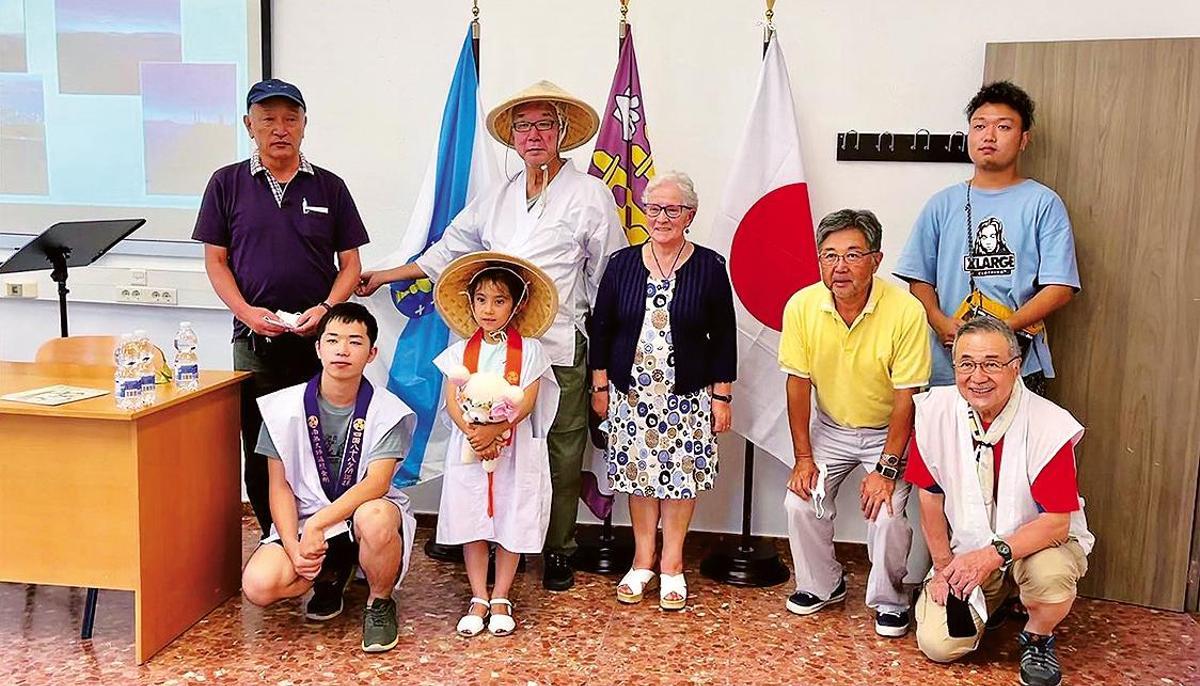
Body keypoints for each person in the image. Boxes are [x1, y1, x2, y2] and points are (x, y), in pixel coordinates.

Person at [356, 81, 625, 591]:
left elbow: (606, 277)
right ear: (512, 138)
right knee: (488, 443)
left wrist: (599, 348)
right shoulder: (494, 197)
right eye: (523, 126)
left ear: (563, 132)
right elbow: (448, 250)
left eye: (545, 124)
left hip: (557, 343)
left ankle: (558, 546)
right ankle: (494, 540)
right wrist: (388, 275)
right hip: (491, 350)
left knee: (559, 450)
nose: (534, 135)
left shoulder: (590, 196)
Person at [193, 79, 369, 535]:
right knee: (260, 443)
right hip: (255, 341)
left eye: (290, 118)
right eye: (268, 119)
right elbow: (216, 262)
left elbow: (351, 266)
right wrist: (247, 312)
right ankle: (277, 538)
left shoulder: (329, 187)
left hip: (321, 342)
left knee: (326, 442)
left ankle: (330, 544)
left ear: (305, 126)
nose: (280, 128)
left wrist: (328, 307)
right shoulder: (226, 183)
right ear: (249, 124)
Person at [905, 316, 1093, 686]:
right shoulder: (934, 413)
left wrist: (992, 556)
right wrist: (944, 567)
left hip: (1036, 545)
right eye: (967, 364)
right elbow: (929, 497)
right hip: (970, 547)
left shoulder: (1049, 424)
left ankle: (1038, 636)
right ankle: (999, 599)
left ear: (1015, 367)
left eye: (992, 363)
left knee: (1049, 575)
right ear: (954, 366)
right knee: (939, 645)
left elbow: (1056, 523)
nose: (978, 376)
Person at [778, 209, 931, 637]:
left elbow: (908, 398)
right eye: (829, 256)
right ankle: (822, 585)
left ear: (876, 260)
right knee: (800, 500)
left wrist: (886, 469)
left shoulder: (905, 311)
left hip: (888, 430)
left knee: (884, 512)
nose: (839, 267)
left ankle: (890, 599)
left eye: (852, 255)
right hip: (831, 428)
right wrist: (803, 457)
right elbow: (797, 385)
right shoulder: (803, 306)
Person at [588, 172, 736, 611]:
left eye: (673, 209)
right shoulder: (621, 264)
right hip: (630, 394)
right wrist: (599, 386)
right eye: (654, 208)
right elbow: (602, 328)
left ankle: (672, 564)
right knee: (639, 479)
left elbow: (724, 335)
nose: (662, 217)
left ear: (690, 215)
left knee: (679, 482)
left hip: (689, 395)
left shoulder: (709, 266)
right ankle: (641, 561)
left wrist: (722, 396)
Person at [240, 303, 417, 654]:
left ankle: (379, 603)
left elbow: (376, 484)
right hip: (306, 519)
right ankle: (325, 576)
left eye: (355, 341)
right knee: (258, 586)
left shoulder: (388, 411)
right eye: (333, 340)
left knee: (376, 516)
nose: (342, 350)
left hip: (359, 513)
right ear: (318, 348)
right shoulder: (282, 408)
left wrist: (320, 524)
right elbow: (279, 486)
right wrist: (293, 545)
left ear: (371, 353)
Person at [894, 81, 1079, 396]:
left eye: (1003, 127)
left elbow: (1060, 287)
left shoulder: (1043, 202)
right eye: (979, 126)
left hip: (1016, 363)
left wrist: (1002, 331)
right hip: (948, 365)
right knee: (946, 445)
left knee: (1016, 446)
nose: (989, 136)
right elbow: (918, 278)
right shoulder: (942, 204)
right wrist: (939, 321)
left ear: (1023, 140)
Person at [430, 252, 560, 636]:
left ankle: (501, 593)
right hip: (469, 444)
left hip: (512, 447)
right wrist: (474, 432)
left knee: (510, 515)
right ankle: (477, 594)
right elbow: (452, 399)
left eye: (499, 300)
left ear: (516, 305)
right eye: (482, 299)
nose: (489, 309)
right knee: (471, 515)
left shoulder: (531, 350)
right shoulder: (458, 353)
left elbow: (529, 398)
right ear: (470, 302)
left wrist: (497, 429)